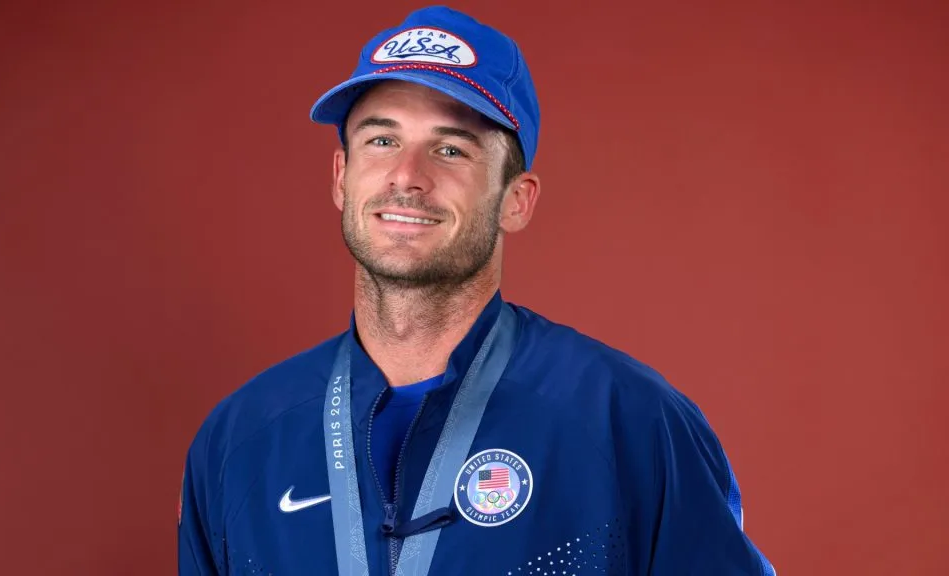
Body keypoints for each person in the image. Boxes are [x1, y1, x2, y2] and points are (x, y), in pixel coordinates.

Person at [178, 6, 776, 575]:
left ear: (516, 200)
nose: (407, 175)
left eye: (450, 149)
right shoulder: (240, 440)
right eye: (381, 140)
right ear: (341, 177)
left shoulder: (628, 421)